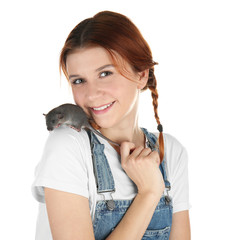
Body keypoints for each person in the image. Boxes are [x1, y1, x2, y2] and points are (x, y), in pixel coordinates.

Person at [31, 11, 191, 240]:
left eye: (105, 73)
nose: (92, 94)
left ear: (142, 75)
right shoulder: (68, 145)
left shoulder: (171, 152)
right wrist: (149, 193)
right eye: (78, 80)